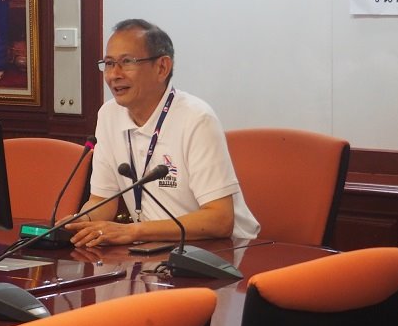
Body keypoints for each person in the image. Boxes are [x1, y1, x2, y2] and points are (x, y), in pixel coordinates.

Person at [66, 19, 260, 247]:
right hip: (156, 248)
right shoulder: (109, 115)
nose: (113, 75)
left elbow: (220, 220)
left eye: (126, 62)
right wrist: (80, 222)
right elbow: (102, 202)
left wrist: (135, 231)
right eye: (109, 63)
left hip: (224, 251)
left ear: (162, 68)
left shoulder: (196, 118)